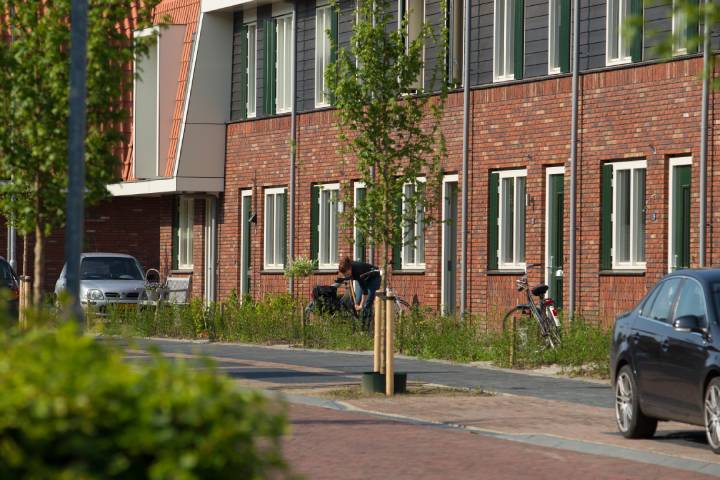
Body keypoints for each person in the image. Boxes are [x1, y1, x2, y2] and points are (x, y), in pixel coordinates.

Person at [338, 256, 380, 331]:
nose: (345, 275)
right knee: (357, 302)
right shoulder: (350, 269)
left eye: (346, 273)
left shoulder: (357, 271)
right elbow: (348, 279)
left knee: (366, 304)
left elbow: (365, 292)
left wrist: (361, 305)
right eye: (344, 274)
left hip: (374, 277)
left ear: (349, 269)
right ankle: (357, 327)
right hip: (365, 278)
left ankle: (365, 329)